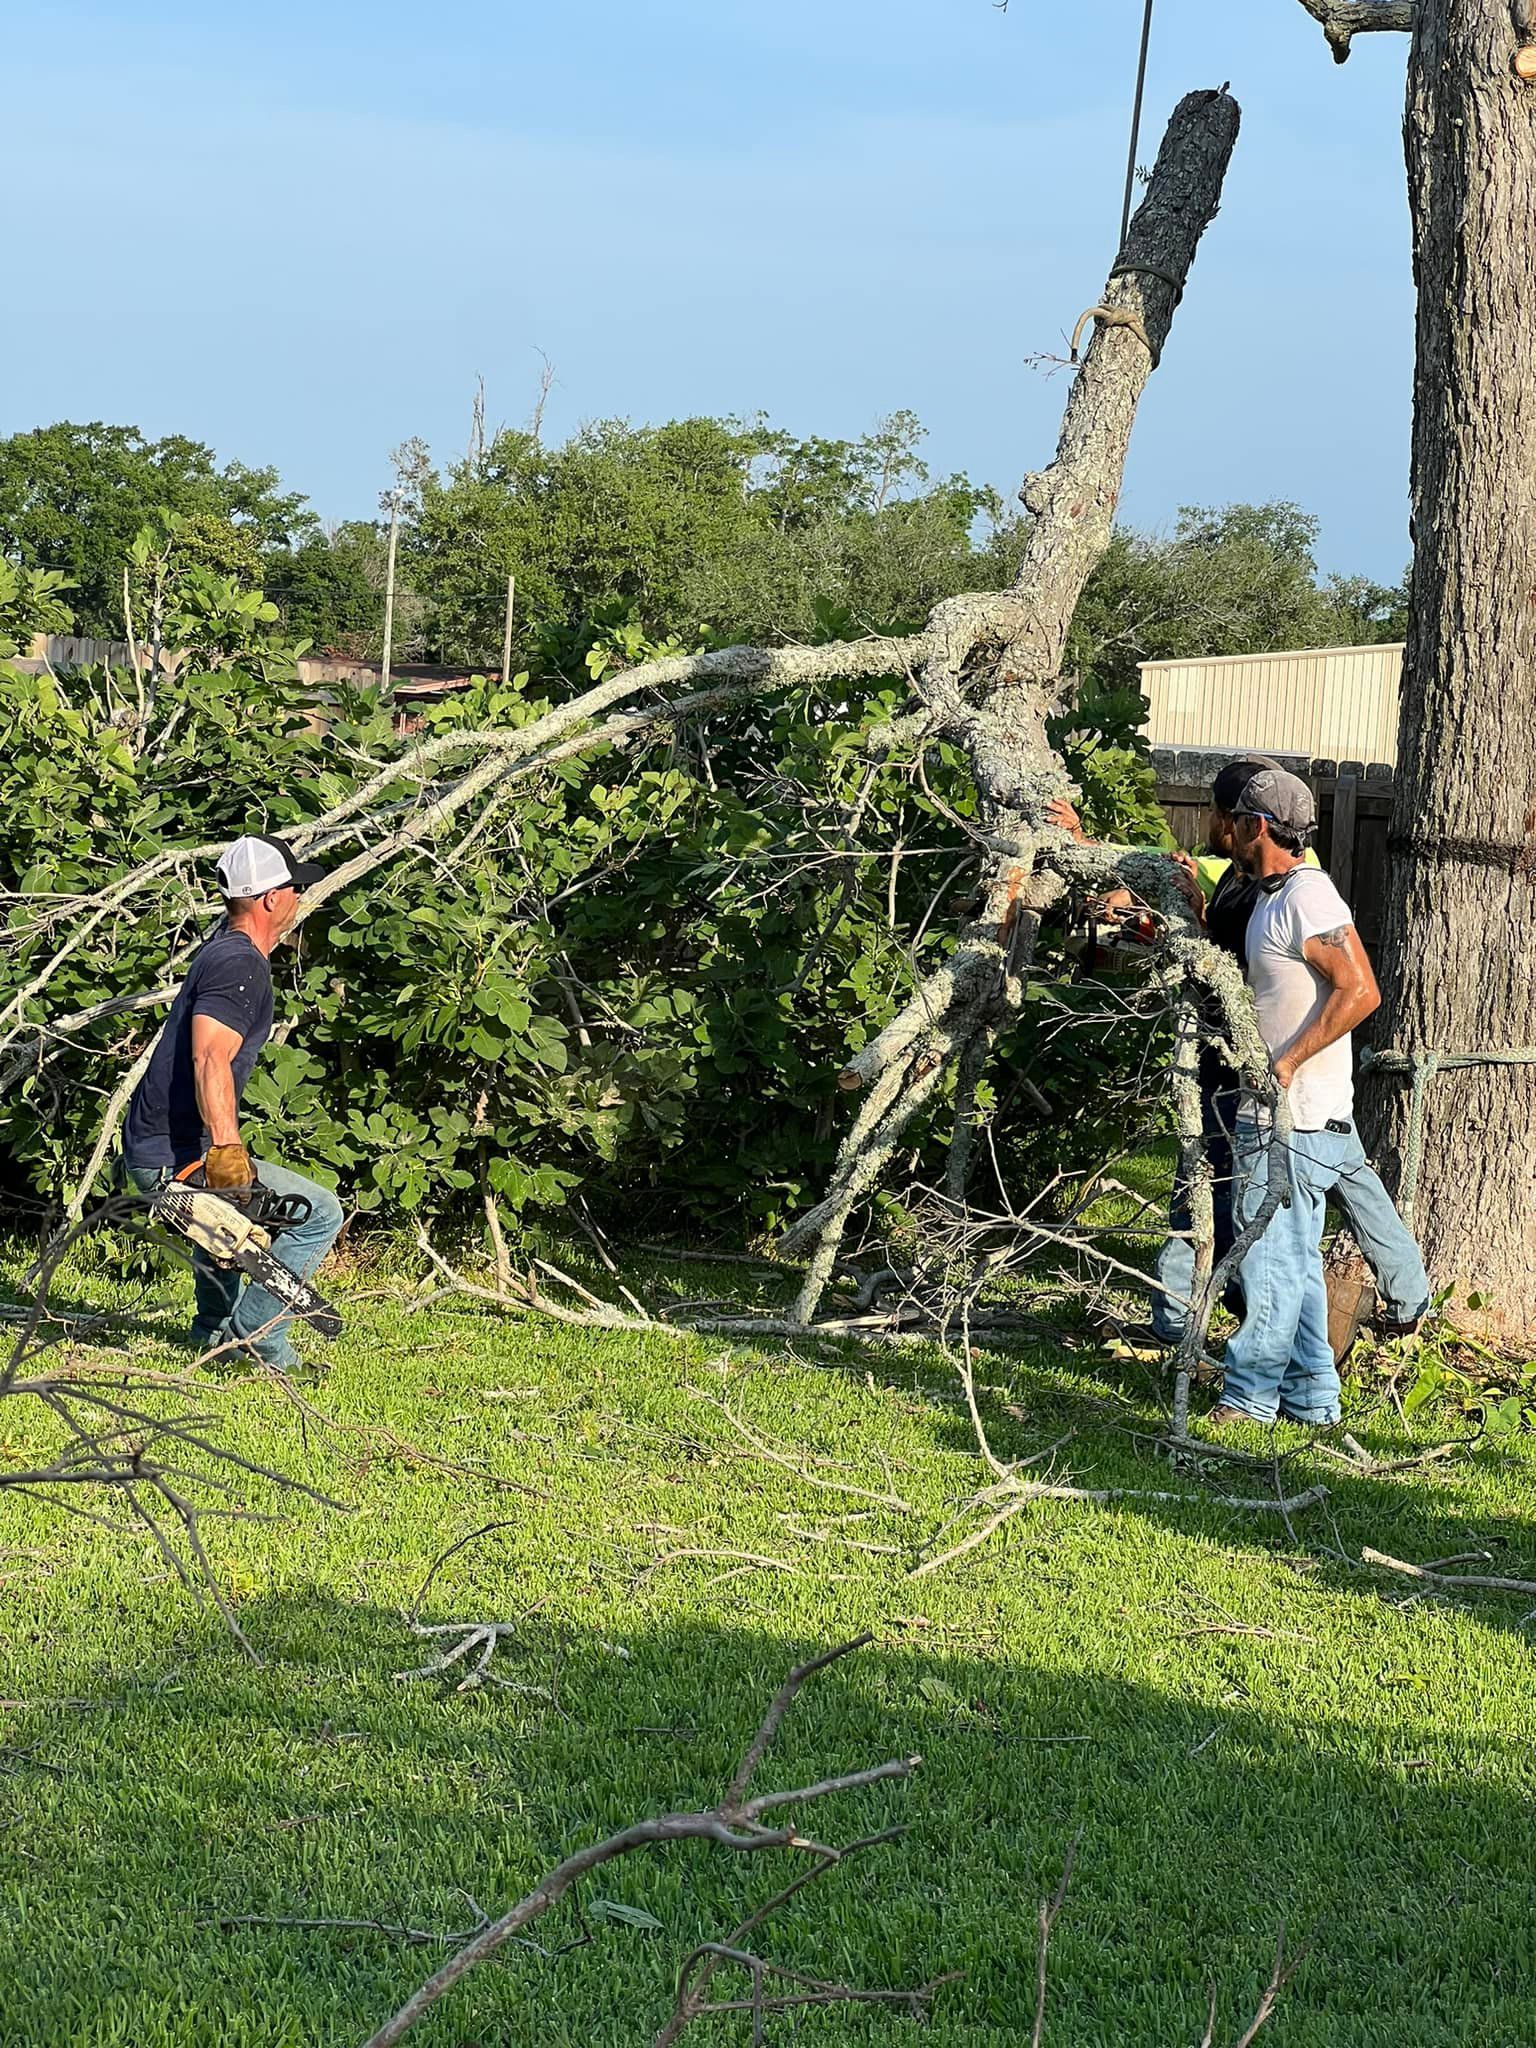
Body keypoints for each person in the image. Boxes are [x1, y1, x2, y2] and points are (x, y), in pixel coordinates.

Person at [1206, 768, 1429, 1429]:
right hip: (1296, 1117)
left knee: (1269, 1263)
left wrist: (1286, 1062)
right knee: (1297, 1268)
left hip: (1289, 1117)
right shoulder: (1275, 895)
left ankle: (1248, 1399)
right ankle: (1311, 1399)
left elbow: (1360, 991)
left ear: (1259, 827)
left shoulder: (1307, 897)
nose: (1232, 832)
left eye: (1239, 821)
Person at [121, 834, 345, 1369]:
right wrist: (226, 1151)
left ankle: (210, 1333)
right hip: (173, 1155)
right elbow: (209, 1058)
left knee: (222, 1217)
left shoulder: (221, 951)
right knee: (319, 1213)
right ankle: (259, 1334)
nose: (298, 899)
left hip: (159, 1148)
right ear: (270, 898)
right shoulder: (239, 964)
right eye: (294, 888)